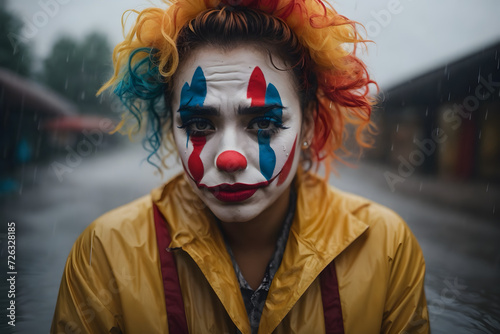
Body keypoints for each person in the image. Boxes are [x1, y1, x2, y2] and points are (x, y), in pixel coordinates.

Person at [51, 0, 429, 333]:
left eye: (263, 123)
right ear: (172, 126)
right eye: (200, 124)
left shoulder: (385, 247)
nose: (228, 158)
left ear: (310, 124)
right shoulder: (104, 254)